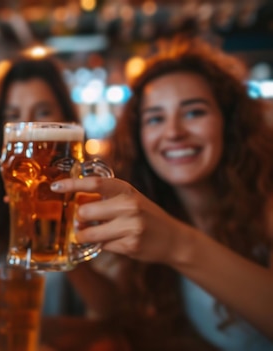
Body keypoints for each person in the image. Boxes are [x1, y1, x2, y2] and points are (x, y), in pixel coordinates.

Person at [50, 36, 273, 349]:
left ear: (230, 122)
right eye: (156, 118)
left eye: (194, 112)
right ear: (139, 138)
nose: (173, 132)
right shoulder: (159, 210)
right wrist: (60, 245)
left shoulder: (267, 203)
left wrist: (177, 243)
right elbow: (128, 316)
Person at [0, 56, 96, 323]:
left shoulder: (88, 199)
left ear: (67, 121)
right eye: (13, 116)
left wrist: (65, 246)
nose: (27, 127)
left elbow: (113, 309)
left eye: (42, 113)